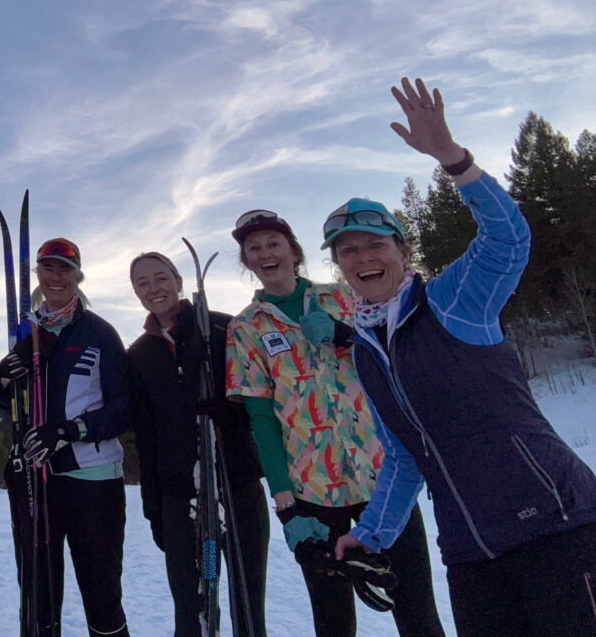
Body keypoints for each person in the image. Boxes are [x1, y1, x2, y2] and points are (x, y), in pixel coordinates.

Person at [332, 77, 596, 636]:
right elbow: (406, 455)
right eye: (348, 250)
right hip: (470, 552)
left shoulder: (452, 301)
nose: (363, 257)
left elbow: (508, 239)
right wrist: (371, 534)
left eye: (376, 243)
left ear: (403, 250)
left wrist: (452, 160)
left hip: (557, 528)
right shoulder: (364, 349)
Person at [224, 209, 445, 636]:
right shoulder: (246, 328)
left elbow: (395, 358)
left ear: (294, 250)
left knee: (417, 612)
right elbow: (261, 419)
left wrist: (345, 334)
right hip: (313, 495)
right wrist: (287, 507)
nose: (265, 253)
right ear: (247, 261)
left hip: (383, 481)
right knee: (333, 622)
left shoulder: (344, 297)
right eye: (254, 248)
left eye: (274, 243)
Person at [126, 251, 269, 637]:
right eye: (142, 283)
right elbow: (146, 435)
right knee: (190, 609)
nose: (153, 288)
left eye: (160, 278)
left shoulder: (224, 329)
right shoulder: (139, 354)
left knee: (247, 604)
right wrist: (153, 507)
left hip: (237, 487)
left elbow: (262, 398)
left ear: (177, 280)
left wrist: (233, 416)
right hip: (179, 496)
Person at [0, 237, 132, 637]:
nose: (56, 277)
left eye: (64, 269)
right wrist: (3, 381)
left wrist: (72, 431)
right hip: (34, 480)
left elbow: (123, 407)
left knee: (102, 596)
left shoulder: (98, 333)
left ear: (77, 276)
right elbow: (12, 410)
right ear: (37, 275)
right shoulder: (28, 334)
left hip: (92, 480)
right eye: (48, 268)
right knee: (39, 597)